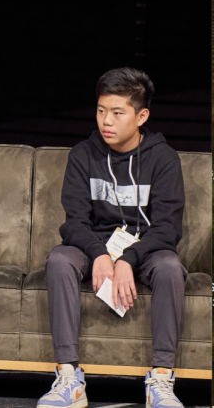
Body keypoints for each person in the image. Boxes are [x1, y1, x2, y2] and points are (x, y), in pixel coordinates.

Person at [37, 68, 187, 408]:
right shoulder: (82, 154)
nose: (107, 120)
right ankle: (68, 376)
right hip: (94, 246)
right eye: (101, 110)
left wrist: (128, 260)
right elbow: (74, 223)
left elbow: (167, 229)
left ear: (141, 115)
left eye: (118, 113)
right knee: (59, 259)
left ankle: (161, 379)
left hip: (146, 249)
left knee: (170, 268)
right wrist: (102, 255)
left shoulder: (164, 159)